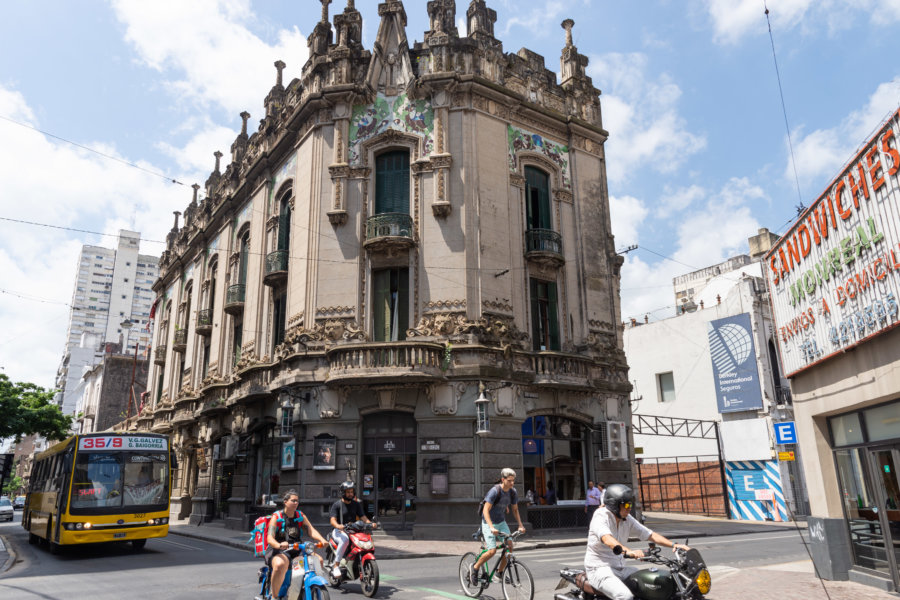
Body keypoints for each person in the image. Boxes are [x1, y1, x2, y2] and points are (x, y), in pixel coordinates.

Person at [583, 484, 690, 600]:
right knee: (625, 596)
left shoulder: (626, 519)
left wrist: (674, 545)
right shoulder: (600, 516)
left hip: (620, 568)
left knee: (648, 585)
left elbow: (649, 534)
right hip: (599, 569)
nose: (630, 507)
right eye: (626, 504)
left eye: (631, 504)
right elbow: (607, 538)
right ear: (615, 505)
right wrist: (630, 552)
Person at [266, 489, 328, 600]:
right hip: (279, 550)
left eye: (297, 501)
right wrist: (279, 545)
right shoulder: (277, 516)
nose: (296, 503)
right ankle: (275, 597)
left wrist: (322, 539)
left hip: (297, 547)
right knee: (280, 564)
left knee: (319, 560)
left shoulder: (300, 515)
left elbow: (311, 530)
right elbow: (270, 538)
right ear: (285, 502)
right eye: (293, 501)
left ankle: (304, 586)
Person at [471, 468, 526, 584]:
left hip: (501, 522)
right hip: (488, 522)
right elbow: (486, 510)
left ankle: (499, 573)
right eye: (509, 481)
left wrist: (520, 525)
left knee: (510, 545)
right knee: (492, 551)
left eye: (513, 481)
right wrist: (491, 527)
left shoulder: (512, 492)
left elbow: (515, 510)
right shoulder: (494, 491)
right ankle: (475, 568)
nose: (512, 483)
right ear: (503, 480)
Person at [328, 481, 378, 579]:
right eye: (348, 492)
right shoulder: (337, 505)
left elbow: (363, 517)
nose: (350, 494)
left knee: (363, 538)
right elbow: (332, 520)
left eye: (352, 492)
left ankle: (353, 561)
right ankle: (336, 566)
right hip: (339, 531)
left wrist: (370, 524)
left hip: (353, 529)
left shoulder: (356, 504)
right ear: (343, 493)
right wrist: (338, 526)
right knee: (345, 540)